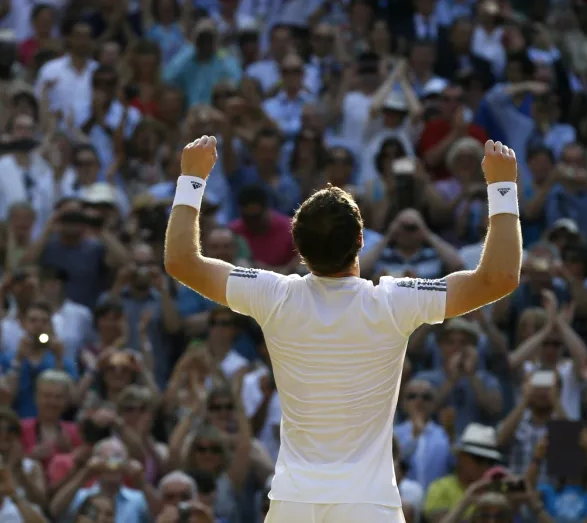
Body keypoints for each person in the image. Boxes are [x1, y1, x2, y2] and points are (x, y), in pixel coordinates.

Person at [164, 135, 522, 521]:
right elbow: (497, 278)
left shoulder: (273, 295)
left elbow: (182, 262)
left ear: (299, 251)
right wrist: (502, 186)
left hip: (293, 506)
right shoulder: (393, 301)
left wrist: (192, 178)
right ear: (361, 241)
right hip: (369, 508)